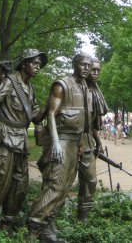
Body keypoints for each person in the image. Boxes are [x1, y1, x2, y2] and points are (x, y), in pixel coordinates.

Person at [0, 48, 48, 233]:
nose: (37, 67)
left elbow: (36, 116)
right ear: (24, 63)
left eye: (39, 64)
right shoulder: (10, 82)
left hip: (21, 141)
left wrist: (52, 105)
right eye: (34, 62)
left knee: (19, 185)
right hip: (5, 140)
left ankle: (7, 224)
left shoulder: (31, 88)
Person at [28, 53, 92, 243]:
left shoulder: (85, 87)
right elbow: (51, 114)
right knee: (54, 186)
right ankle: (32, 230)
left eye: (89, 65)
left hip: (74, 143)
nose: (86, 68)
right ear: (75, 65)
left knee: (64, 188)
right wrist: (55, 142)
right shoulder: (62, 84)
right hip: (61, 141)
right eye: (83, 64)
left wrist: (81, 144)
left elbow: (82, 122)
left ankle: (48, 228)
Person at [77, 58, 108, 223]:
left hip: (88, 140)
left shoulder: (94, 92)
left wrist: (98, 141)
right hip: (71, 140)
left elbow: (92, 122)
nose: (95, 73)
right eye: (93, 69)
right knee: (62, 183)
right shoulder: (75, 89)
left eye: (98, 70)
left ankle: (83, 217)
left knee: (90, 180)